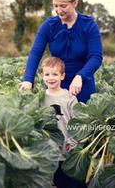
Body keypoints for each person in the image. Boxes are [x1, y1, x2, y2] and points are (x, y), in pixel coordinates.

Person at [20, 0, 103, 103]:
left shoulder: (89, 25)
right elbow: (35, 53)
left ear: (75, 2)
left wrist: (80, 76)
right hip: (55, 84)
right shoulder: (49, 25)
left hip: (82, 85)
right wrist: (28, 79)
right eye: (55, 6)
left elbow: (96, 57)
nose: (58, 10)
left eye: (63, 6)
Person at [40, 56, 86, 188]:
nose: (51, 78)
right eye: (47, 74)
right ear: (42, 76)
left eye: (55, 74)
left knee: (74, 183)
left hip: (70, 148)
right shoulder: (40, 98)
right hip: (52, 151)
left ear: (62, 76)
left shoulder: (70, 98)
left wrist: (73, 143)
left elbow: (78, 123)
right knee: (58, 182)